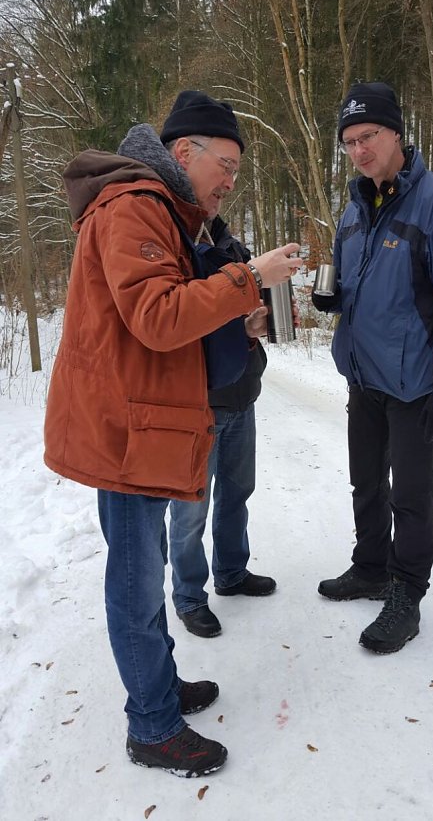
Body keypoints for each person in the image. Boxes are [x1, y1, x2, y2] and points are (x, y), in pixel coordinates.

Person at [44, 89, 302, 776]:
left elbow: (163, 325)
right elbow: (157, 316)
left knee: (143, 569)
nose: (230, 182)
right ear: (184, 152)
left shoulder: (155, 206)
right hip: (123, 433)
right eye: (228, 167)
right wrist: (251, 278)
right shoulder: (134, 205)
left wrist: (233, 318)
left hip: (137, 424)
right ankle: (152, 727)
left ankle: (159, 689)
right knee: (134, 579)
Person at [313, 81, 433, 655]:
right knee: (366, 481)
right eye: (350, 142)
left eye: (369, 136)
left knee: (411, 493)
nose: (360, 150)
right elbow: (348, 281)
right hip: (364, 377)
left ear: (397, 134)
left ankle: (407, 592)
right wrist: (330, 298)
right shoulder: (354, 210)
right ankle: (370, 566)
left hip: (416, 385)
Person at [168, 215, 274, 640]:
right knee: (190, 510)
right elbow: (178, 320)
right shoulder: (174, 248)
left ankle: (231, 572)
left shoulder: (235, 249)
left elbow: (240, 314)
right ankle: (190, 597)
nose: (222, 186)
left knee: (236, 495)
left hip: (242, 394)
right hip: (198, 406)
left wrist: (257, 324)